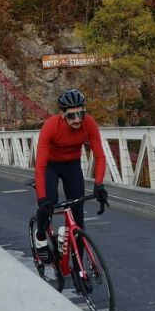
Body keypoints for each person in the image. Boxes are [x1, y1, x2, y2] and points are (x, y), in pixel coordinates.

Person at [33, 89, 108, 259]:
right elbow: (40, 165)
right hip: (50, 166)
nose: (77, 120)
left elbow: (100, 156)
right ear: (62, 115)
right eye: (71, 116)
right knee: (49, 204)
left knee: (78, 219)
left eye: (81, 114)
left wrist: (99, 185)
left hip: (72, 165)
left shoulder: (89, 123)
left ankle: (79, 273)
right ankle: (40, 236)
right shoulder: (51, 126)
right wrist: (42, 199)